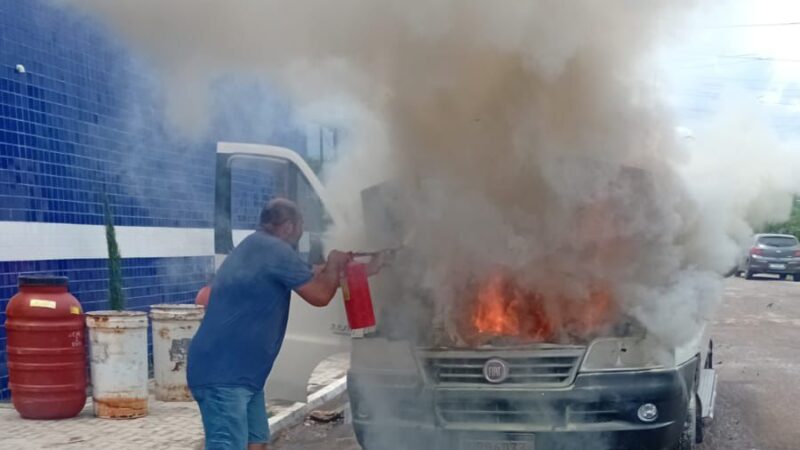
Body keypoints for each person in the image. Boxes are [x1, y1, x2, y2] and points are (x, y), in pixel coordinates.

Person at [187, 198, 375, 450]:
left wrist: (357, 266)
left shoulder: (260, 246)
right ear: (288, 226)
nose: (301, 233)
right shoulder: (273, 249)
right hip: (224, 375)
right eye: (301, 226)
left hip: (243, 376)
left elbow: (314, 273)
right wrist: (333, 261)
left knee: (257, 443)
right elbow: (320, 294)